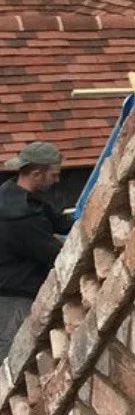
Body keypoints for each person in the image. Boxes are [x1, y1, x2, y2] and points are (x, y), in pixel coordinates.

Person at [0, 142, 71, 363]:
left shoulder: (12, 192)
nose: (57, 180)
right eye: (54, 175)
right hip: (15, 294)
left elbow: (58, 221)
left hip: (11, 281)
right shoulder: (21, 218)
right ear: (37, 174)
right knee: (12, 358)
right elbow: (57, 256)